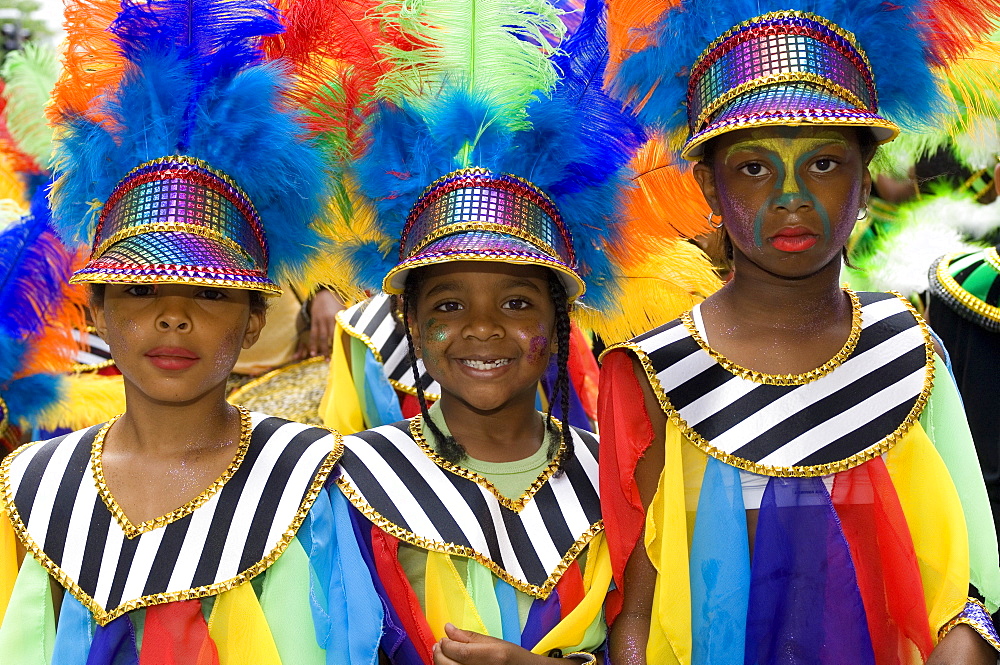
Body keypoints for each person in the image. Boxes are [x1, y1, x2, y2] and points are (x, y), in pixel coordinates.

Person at [601, 1, 1000, 663]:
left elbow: (969, 590)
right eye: (754, 168)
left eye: (823, 163)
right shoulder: (654, 373)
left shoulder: (911, 352)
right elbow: (636, 610)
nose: (791, 196)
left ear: (867, 179)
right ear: (706, 185)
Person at [0, 0, 382, 661]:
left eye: (209, 292)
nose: (172, 316)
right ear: (95, 311)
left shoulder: (308, 475)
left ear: (255, 316)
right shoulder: (33, 483)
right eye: (141, 289)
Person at [324, 1, 650, 661]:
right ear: (409, 325)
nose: (482, 328)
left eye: (517, 304)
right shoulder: (353, 478)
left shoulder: (616, 479)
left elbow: (657, 637)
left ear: (559, 325)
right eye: (447, 306)